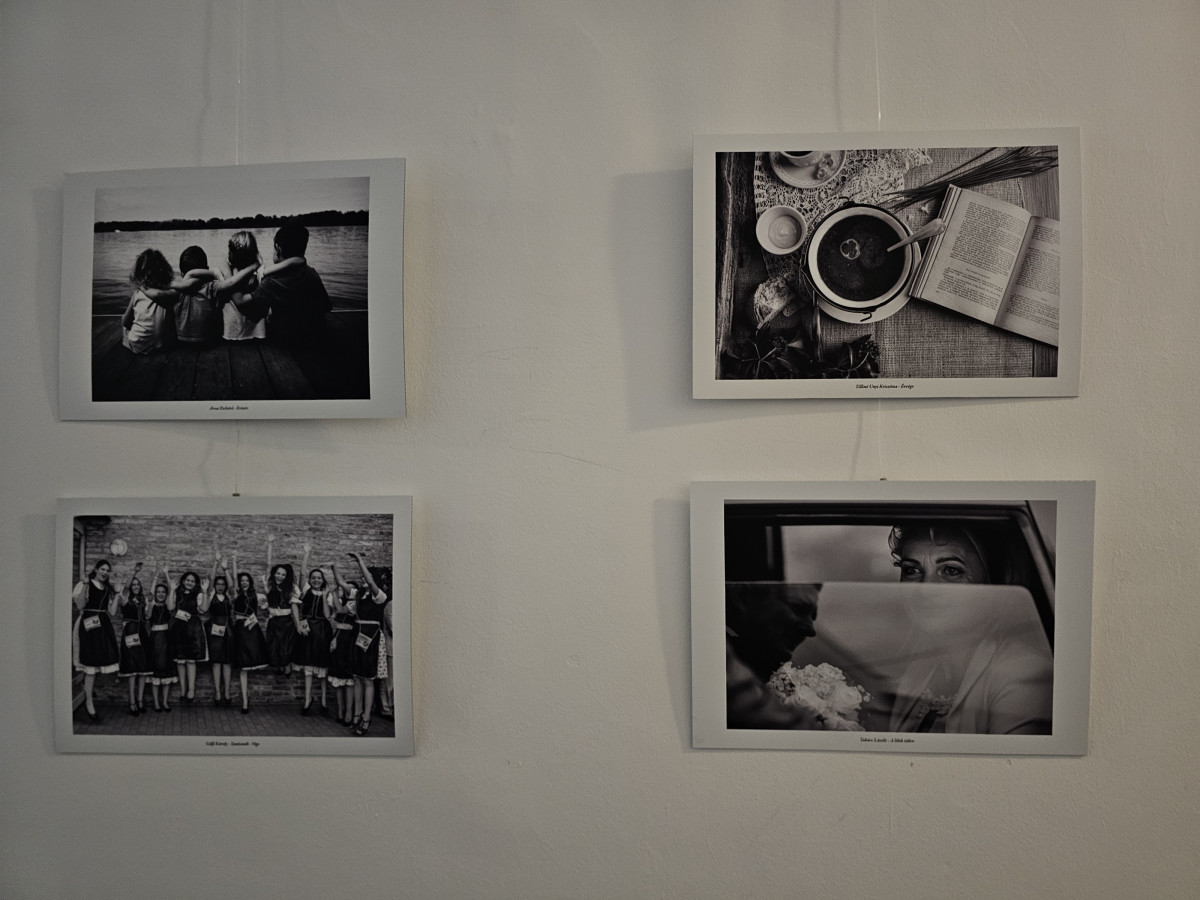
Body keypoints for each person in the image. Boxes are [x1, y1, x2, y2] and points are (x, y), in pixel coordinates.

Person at [886, 522, 1053, 735]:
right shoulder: (919, 668)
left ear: (992, 582)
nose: (925, 588)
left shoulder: (1023, 673)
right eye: (912, 570)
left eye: (951, 570)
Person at [724, 582, 822, 729]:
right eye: (798, 609)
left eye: (812, 617)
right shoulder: (717, 664)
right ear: (741, 597)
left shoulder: (777, 676)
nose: (810, 630)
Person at [251, 223, 332, 347]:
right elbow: (327, 306)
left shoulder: (270, 282)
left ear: (278, 248)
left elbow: (253, 314)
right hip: (315, 335)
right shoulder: (311, 273)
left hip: (287, 339)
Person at [172, 245, 258, 346]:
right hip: (206, 340)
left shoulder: (177, 288)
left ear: (182, 274)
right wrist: (252, 267)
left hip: (181, 339)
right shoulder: (211, 286)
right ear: (206, 269)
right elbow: (231, 283)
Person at [72, 559, 121, 722]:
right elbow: (80, 605)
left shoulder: (107, 588)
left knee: (99, 663)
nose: (105, 572)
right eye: (102, 569)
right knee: (91, 666)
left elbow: (112, 612)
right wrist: (86, 585)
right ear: (97, 569)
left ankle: (88, 694)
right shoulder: (85, 583)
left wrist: (118, 594)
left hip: (102, 627)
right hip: (88, 626)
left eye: (107, 570)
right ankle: (89, 703)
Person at [291, 544, 334, 716]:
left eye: (319, 578)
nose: (316, 580)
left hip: (322, 632)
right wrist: (306, 554)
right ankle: (307, 700)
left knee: (322, 668)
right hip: (308, 631)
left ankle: (323, 700)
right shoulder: (306, 590)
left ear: (323, 580)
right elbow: (302, 573)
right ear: (310, 580)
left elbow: (327, 615)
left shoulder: (328, 595)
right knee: (308, 667)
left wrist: (324, 596)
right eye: (314, 578)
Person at [348, 551, 388, 736]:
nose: (364, 579)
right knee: (356, 677)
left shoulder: (380, 596)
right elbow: (342, 585)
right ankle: (357, 715)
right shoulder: (359, 596)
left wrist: (359, 560)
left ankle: (366, 718)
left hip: (371, 639)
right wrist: (333, 568)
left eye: (367, 576)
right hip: (358, 636)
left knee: (368, 679)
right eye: (363, 576)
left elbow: (371, 583)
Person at [228, 555, 269, 714]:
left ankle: (246, 699)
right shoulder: (235, 594)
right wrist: (233, 561)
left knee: (252, 660)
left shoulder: (256, 596)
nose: (244, 582)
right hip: (240, 629)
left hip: (253, 629)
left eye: (246, 580)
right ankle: (245, 701)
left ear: (250, 582)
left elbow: (267, 607)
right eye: (242, 580)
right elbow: (233, 580)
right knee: (243, 666)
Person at [120, 249, 178, 354]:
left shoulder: (138, 294)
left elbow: (126, 322)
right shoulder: (168, 294)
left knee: (125, 326)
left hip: (139, 347)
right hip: (163, 345)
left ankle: (126, 342)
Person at [116, 563, 152, 715]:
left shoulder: (143, 600)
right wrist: (134, 572)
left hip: (142, 634)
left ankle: (140, 700)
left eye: (138, 584)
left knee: (143, 669)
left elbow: (148, 617)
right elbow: (125, 588)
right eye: (134, 584)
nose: (136, 586)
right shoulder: (125, 598)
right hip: (130, 633)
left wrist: (150, 603)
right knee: (132, 669)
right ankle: (131, 701)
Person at [326, 563, 360, 728]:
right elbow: (332, 614)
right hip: (337, 641)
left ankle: (349, 712)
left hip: (349, 643)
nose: (348, 591)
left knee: (348, 679)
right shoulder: (340, 602)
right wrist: (333, 592)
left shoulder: (355, 605)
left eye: (351, 589)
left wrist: (334, 570)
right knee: (338, 678)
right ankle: (340, 710)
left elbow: (340, 611)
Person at [167, 568, 209, 702]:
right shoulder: (177, 593)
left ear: (195, 583)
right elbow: (169, 607)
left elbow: (204, 609)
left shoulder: (198, 594)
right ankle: (183, 689)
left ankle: (191, 689)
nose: (189, 583)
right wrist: (172, 590)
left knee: (191, 660)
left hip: (193, 630)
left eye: (192, 581)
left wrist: (205, 592)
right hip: (179, 630)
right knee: (180, 660)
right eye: (187, 580)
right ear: (183, 581)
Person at [262, 535, 301, 673]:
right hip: (274, 621)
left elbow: (294, 608)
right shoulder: (269, 585)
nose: (280, 576)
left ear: (286, 576)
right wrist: (270, 545)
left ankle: (286, 665)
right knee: (274, 646)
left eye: (283, 575)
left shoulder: (292, 589)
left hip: (287, 622)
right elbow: (268, 565)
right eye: (278, 573)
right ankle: (279, 665)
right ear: (274, 574)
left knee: (287, 646)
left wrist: (298, 625)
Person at [203, 551, 236, 706]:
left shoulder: (229, 595)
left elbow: (232, 585)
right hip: (214, 631)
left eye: (222, 584)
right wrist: (216, 563)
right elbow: (210, 579)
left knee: (227, 662)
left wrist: (225, 569)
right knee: (216, 662)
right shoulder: (211, 595)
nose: (220, 586)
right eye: (218, 584)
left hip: (228, 631)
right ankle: (217, 692)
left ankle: (227, 692)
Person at [144, 561, 177, 711]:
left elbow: (172, 590)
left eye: (163, 592)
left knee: (166, 670)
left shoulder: (169, 606)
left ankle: (164, 701)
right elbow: (150, 596)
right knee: (156, 670)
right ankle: (156, 702)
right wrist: (156, 576)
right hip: (155, 640)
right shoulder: (151, 605)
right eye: (159, 592)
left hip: (167, 640)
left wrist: (167, 575)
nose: (161, 594)